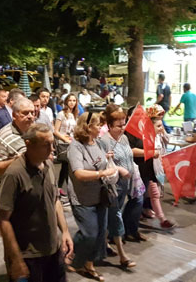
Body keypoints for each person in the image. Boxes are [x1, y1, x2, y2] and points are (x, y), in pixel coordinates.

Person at [0, 124, 73, 282]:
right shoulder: (14, 174)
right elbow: (3, 219)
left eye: (53, 143)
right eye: (46, 145)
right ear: (29, 144)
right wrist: (16, 259)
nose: (52, 149)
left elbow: (55, 200)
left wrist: (64, 231)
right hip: (28, 256)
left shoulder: (49, 165)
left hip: (52, 251)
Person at [67, 112, 116, 281]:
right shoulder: (76, 146)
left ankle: (88, 264)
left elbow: (100, 159)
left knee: (100, 232)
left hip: (99, 195)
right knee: (89, 233)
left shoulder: (99, 143)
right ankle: (71, 252)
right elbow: (79, 173)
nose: (100, 127)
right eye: (97, 125)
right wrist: (102, 172)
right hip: (81, 197)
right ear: (87, 127)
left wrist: (107, 159)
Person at [99, 107, 141, 268]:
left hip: (125, 184)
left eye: (124, 124)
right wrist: (119, 169)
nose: (122, 128)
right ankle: (122, 256)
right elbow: (103, 165)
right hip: (112, 186)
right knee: (115, 216)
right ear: (109, 126)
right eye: (118, 125)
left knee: (111, 216)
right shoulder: (104, 141)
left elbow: (129, 156)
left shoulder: (123, 138)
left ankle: (105, 243)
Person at [142, 105, 177, 228]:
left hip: (159, 167)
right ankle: (162, 219)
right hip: (150, 169)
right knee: (155, 194)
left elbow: (167, 140)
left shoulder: (159, 134)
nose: (160, 126)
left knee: (153, 192)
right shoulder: (146, 137)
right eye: (158, 116)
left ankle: (145, 210)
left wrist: (163, 131)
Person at [53, 94, 79, 194]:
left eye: (74, 100)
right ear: (66, 102)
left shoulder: (74, 115)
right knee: (67, 166)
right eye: (70, 100)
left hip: (72, 143)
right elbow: (55, 131)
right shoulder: (61, 114)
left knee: (67, 167)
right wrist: (65, 139)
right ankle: (62, 188)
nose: (72, 102)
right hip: (63, 143)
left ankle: (64, 189)